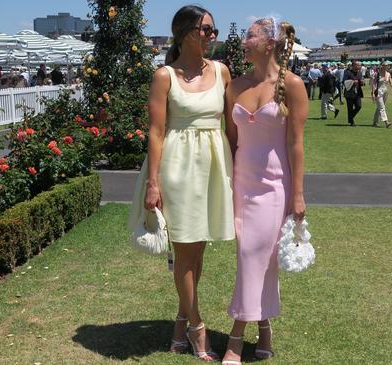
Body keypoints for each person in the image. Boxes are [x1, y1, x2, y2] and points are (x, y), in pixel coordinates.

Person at [127, 5, 232, 362]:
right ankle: (196, 327)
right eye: (207, 30)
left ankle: (180, 319)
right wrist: (152, 183)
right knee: (185, 250)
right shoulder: (164, 76)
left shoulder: (222, 72)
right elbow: (156, 131)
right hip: (176, 167)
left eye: (213, 30)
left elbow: (232, 126)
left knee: (197, 250)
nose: (212, 36)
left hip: (213, 168)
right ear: (187, 33)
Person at [222, 17, 306, 365]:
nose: (244, 40)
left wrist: (298, 194)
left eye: (250, 35)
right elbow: (230, 138)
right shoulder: (235, 86)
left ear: (269, 42)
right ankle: (266, 326)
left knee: (255, 255)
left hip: (275, 187)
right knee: (255, 258)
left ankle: (236, 338)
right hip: (242, 183)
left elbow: (297, 143)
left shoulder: (293, 84)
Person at [371, 61, 392, 128]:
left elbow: (391, 83)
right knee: (382, 107)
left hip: (385, 92)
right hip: (378, 91)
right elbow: (374, 84)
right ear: (381, 66)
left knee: (379, 107)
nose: (386, 66)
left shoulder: (388, 74)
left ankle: (375, 122)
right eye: (385, 65)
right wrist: (372, 93)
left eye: (387, 65)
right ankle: (386, 122)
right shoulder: (376, 74)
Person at [343, 60, 364, 126]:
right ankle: (352, 122)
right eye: (358, 65)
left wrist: (362, 82)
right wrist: (352, 81)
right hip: (349, 93)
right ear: (353, 65)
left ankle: (350, 118)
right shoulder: (347, 72)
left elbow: (360, 81)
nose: (359, 66)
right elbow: (344, 81)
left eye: (360, 65)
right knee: (350, 108)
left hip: (357, 93)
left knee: (359, 106)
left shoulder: (360, 73)